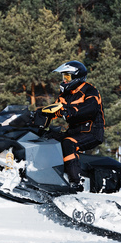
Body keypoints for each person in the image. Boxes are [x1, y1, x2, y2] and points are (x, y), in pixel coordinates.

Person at [41, 60, 105, 192]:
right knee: (46, 138)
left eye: (67, 77)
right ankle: (45, 175)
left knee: (68, 143)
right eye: (63, 76)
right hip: (74, 132)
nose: (64, 80)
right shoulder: (65, 95)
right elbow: (54, 109)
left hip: (91, 131)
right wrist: (36, 115)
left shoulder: (90, 90)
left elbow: (90, 108)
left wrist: (71, 111)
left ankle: (75, 182)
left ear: (77, 77)